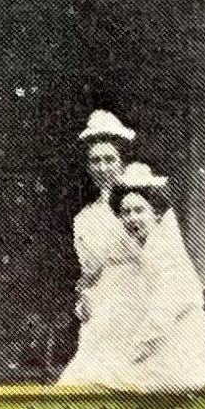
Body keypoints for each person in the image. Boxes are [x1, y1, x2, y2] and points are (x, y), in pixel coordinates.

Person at [64, 163, 205, 393]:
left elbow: (163, 311)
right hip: (158, 348)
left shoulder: (167, 252)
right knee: (90, 370)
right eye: (125, 213)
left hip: (178, 359)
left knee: (94, 376)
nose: (131, 218)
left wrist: (134, 352)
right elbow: (121, 297)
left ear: (156, 213)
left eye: (138, 210)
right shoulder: (142, 251)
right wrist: (90, 304)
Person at [59, 109, 146, 385]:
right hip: (101, 311)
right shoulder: (84, 219)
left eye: (110, 159)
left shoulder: (137, 211)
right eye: (95, 160)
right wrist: (82, 295)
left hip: (136, 304)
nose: (102, 167)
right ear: (88, 166)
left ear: (122, 162)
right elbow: (89, 274)